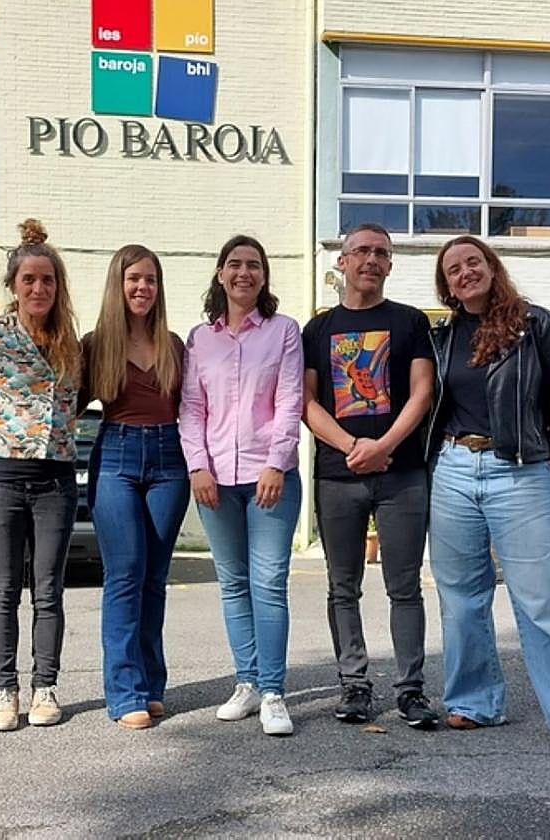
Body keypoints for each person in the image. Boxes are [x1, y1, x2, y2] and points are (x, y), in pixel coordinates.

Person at [425, 235, 550, 751]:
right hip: (454, 468)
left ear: (491, 266)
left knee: (540, 596)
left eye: (473, 262)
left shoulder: (534, 324)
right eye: (454, 269)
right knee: (460, 597)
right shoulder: (440, 336)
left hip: (519, 470)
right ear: (446, 284)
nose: (465, 272)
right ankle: (473, 702)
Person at [301, 223, 438, 728]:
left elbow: (421, 393)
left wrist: (383, 446)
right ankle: (354, 685)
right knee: (343, 586)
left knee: (404, 586)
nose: (370, 259)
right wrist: (352, 447)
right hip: (338, 477)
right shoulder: (317, 330)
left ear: (389, 265)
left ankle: (410, 689)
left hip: (402, 474)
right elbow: (307, 401)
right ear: (342, 261)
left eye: (381, 253)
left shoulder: (409, 321)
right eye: (361, 251)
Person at [0, 219, 80, 732]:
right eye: (29, 279)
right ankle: (3, 693)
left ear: (58, 285)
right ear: (14, 285)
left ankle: (44, 687)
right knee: (4, 588)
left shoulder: (73, 340)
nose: (38, 288)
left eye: (47, 280)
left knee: (48, 589)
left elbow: (85, 397)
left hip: (55, 482)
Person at [180, 235, 304, 737]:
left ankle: (274, 691)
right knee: (232, 584)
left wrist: (276, 463)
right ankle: (247, 682)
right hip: (214, 483)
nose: (244, 273)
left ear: (264, 275)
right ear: (220, 274)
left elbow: (290, 400)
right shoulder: (199, 338)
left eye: (254, 265)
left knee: (268, 582)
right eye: (234, 264)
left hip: (269, 478)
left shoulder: (283, 331)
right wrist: (197, 467)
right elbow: (191, 408)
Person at [80, 245, 189, 730]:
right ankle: (125, 693)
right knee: (124, 575)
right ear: (117, 285)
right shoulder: (94, 344)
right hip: (117, 458)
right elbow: (61, 406)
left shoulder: (174, 344)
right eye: (133, 279)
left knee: (154, 580)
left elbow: (199, 409)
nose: (142, 287)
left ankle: (151, 684)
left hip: (171, 461)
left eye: (150, 279)